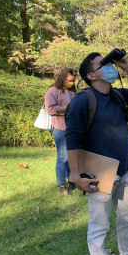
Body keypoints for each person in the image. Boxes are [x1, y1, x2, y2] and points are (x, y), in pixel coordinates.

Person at [65, 52, 128, 255]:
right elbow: (73, 139)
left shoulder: (118, 95)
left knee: (127, 220)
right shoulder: (83, 100)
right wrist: (75, 175)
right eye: (102, 64)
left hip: (124, 169)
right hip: (100, 171)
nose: (109, 66)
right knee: (99, 224)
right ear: (91, 75)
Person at [45, 68, 77, 196]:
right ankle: (62, 186)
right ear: (63, 78)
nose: (71, 82)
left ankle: (72, 181)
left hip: (72, 128)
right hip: (60, 128)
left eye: (73, 81)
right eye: (69, 80)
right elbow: (50, 109)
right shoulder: (53, 91)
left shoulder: (72, 91)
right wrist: (68, 108)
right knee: (63, 157)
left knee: (71, 157)